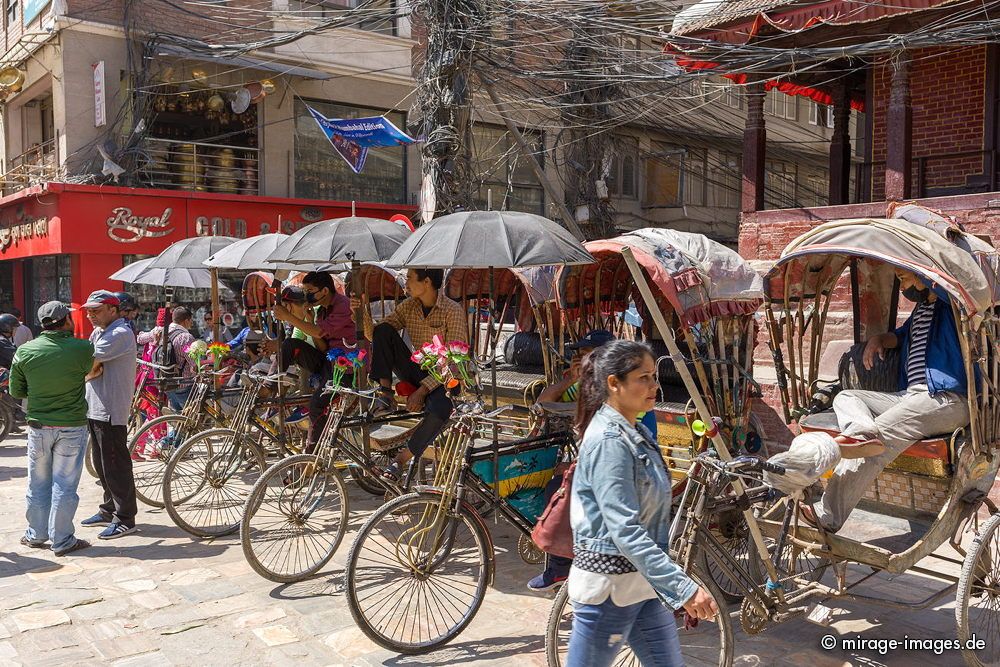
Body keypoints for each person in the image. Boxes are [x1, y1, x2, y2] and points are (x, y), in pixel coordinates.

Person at [565, 340, 717, 666]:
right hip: (608, 592)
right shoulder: (610, 442)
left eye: (654, 376)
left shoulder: (636, 431)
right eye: (643, 378)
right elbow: (625, 529)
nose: (654, 385)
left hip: (642, 586)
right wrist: (684, 588)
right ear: (614, 384)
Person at [805, 269, 971, 534]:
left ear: (922, 275)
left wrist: (922, 272)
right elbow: (902, 335)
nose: (903, 286)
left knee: (879, 437)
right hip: (910, 396)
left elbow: (949, 290)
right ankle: (862, 432)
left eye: (904, 278)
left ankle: (829, 516)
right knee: (848, 397)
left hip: (946, 398)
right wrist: (880, 339)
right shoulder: (920, 311)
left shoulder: (950, 305)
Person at [529, 329, 659, 593]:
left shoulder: (622, 392)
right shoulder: (587, 386)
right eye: (578, 355)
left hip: (631, 470)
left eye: (586, 355)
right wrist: (571, 380)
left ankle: (560, 567)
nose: (580, 359)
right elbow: (542, 404)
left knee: (562, 490)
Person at [354, 268, 468, 480]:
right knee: (384, 330)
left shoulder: (452, 311)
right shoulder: (409, 306)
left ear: (426, 282)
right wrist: (361, 314)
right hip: (419, 367)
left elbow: (453, 361)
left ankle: (401, 459)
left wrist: (422, 391)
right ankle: (385, 394)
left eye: (409, 279)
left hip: (447, 377)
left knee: (440, 409)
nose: (405, 283)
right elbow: (376, 336)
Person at [9, 301, 95, 556]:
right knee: (65, 485)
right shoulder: (83, 348)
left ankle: (36, 535)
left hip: (38, 425)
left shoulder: (25, 351)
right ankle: (62, 539)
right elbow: (92, 372)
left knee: (38, 483)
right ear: (67, 320)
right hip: (71, 426)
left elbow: (16, 391)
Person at [80, 290, 139, 540]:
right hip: (95, 405)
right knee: (101, 465)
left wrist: (92, 368)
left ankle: (125, 517)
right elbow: (90, 367)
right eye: (89, 311)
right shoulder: (99, 332)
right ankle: (108, 508)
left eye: (97, 310)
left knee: (115, 465)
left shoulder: (120, 333)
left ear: (113, 310)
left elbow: (88, 363)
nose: (91, 315)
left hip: (111, 408)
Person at [273, 271, 356, 450]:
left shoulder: (343, 305)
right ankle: (270, 385)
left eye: (310, 291)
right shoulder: (321, 311)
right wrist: (310, 321)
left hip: (346, 367)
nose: (307, 295)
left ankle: (312, 451)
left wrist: (289, 317)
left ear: (324, 291)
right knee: (290, 344)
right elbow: (322, 346)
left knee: (316, 404)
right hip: (328, 360)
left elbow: (318, 333)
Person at [137, 307, 197, 411]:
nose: (191, 323)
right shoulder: (186, 337)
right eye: (191, 320)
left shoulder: (161, 330)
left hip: (166, 383)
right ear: (186, 320)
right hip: (184, 385)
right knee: (190, 419)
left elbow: (140, 339)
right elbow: (194, 364)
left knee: (175, 420)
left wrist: (145, 335)